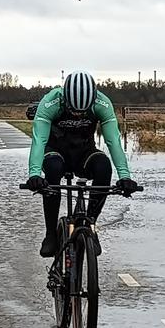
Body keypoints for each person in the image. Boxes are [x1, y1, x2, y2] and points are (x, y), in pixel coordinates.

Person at [23, 71, 140, 256]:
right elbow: (39, 141)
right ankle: (51, 234)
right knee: (53, 169)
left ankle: (90, 225)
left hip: (83, 152)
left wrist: (125, 177)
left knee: (103, 166)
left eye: (82, 111)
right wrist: (34, 175)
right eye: (73, 110)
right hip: (55, 151)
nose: (77, 115)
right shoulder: (51, 102)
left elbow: (114, 142)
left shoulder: (102, 103)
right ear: (65, 97)